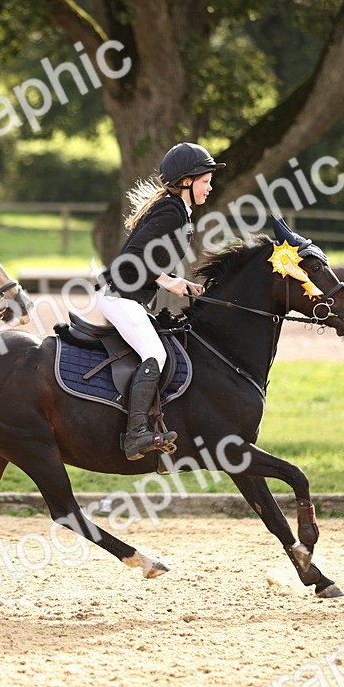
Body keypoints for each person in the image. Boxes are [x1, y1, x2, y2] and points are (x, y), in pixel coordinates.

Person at [96, 141, 224, 460]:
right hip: (117, 295)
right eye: (206, 180)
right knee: (155, 352)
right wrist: (166, 280)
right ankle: (136, 434)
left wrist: (179, 283)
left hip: (124, 296)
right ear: (186, 182)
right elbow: (133, 255)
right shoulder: (172, 210)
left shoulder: (177, 209)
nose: (210, 186)